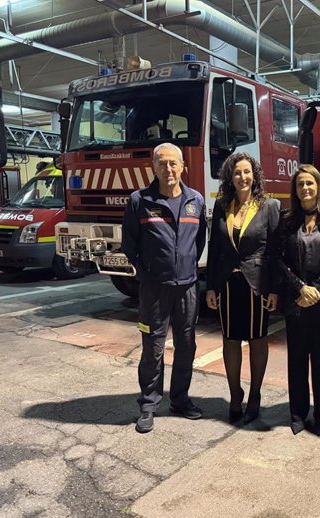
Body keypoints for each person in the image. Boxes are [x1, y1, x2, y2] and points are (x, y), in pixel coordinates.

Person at [122, 143, 206, 434]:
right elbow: (129, 245)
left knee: (186, 346)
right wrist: (147, 274)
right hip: (154, 290)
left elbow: (199, 242)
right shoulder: (139, 200)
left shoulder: (196, 200)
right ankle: (148, 404)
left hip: (187, 288)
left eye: (173, 163)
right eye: (162, 164)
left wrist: (187, 267)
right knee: (153, 347)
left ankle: (180, 399)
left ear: (183, 166)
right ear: (153, 167)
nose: (168, 169)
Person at [205, 152, 280, 425]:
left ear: (255, 175)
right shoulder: (223, 204)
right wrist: (211, 286)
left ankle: (256, 394)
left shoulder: (269, 206)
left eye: (247, 172)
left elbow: (274, 250)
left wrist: (273, 289)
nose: (242, 177)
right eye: (237, 173)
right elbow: (214, 247)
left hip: (256, 284)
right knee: (230, 340)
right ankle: (235, 394)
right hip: (227, 283)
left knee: (257, 340)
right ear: (230, 177)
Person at [277, 165, 320, 436]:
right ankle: (297, 413)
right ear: (295, 189)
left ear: (318, 187)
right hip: (296, 301)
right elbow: (279, 259)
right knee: (297, 360)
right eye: (300, 184)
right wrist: (300, 289)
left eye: (310, 184)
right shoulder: (287, 220)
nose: (305, 188)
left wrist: (316, 290)